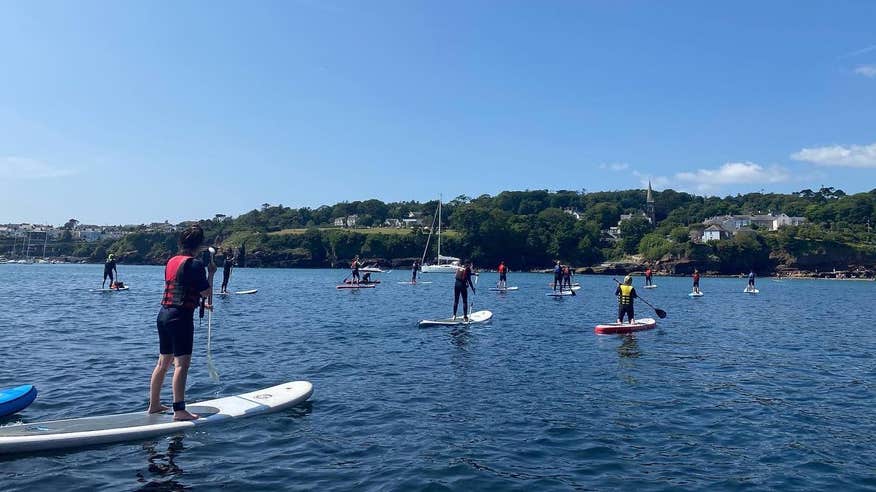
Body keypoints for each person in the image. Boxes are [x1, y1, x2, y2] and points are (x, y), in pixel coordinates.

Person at [148, 224, 215, 421]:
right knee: (181, 364)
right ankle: (179, 410)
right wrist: (211, 273)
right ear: (200, 245)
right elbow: (206, 292)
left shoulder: (171, 261)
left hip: (164, 315)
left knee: (163, 362)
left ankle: (154, 404)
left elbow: (182, 288)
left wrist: (201, 306)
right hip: (180, 318)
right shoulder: (195, 265)